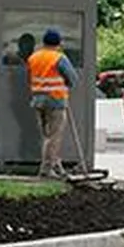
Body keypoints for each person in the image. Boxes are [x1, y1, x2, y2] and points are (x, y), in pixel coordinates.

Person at [28, 28, 80, 178]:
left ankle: (57, 166)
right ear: (58, 43)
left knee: (46, 136)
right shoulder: (59, 58)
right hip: (55, 100)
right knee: (54, 137)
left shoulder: (33, 57)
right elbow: (73, 78)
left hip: (38, 100)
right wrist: (66, 85)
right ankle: (46, 169)